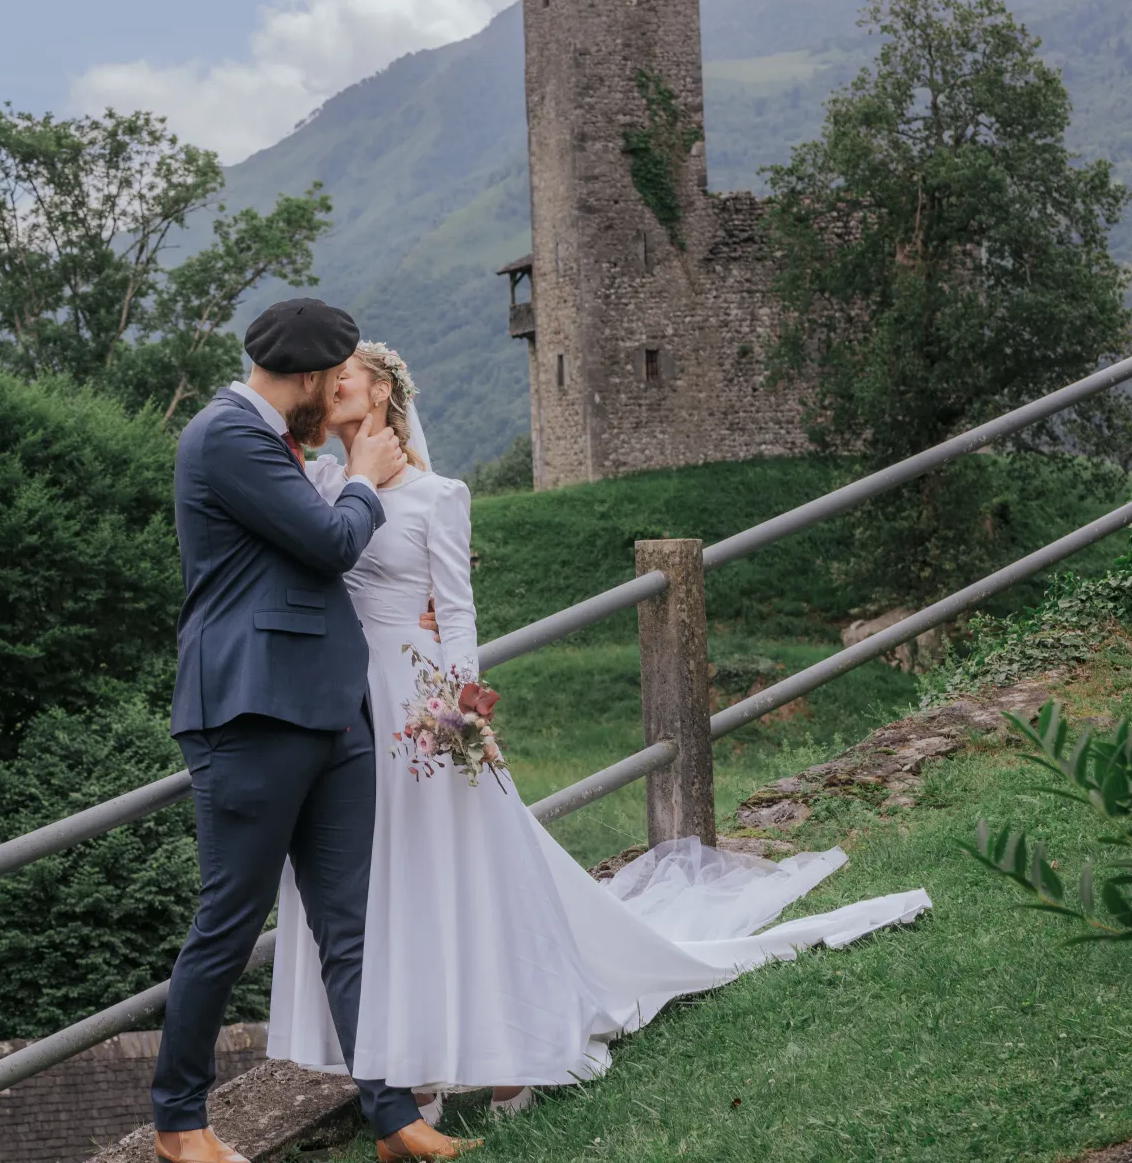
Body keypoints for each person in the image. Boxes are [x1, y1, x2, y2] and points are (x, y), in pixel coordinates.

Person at [267, 342, 933, 1120]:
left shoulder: (437, 495)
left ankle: (494, 1050)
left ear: (381, 392)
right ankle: (409, 1060)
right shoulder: (320, 481)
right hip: (347, 700)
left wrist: (463, 712)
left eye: (342, 376)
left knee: (446, 872)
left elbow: (456, 614)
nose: (327, 387)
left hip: (419, 707)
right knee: (375, 879)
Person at [155, 301, 484, 1163]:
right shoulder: (228, 436)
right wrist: (369, 477)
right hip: (253, 713)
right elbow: (332, 543)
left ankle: (391, 1120)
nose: (340, 395)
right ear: (304, 382)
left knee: (350, 924)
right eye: (332, 383)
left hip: (333, 711)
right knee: (230, 919)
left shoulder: (278, 441)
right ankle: (179, 1123)